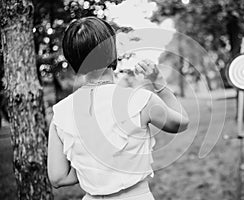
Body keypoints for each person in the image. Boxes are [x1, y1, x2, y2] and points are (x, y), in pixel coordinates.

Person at [47, 16, 189, 200]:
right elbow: (182, 123)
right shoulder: (140, 101)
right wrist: (159, 83)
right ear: (111, 51)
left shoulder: (60, 114)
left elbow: (58, 177)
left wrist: (94, 167)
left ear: (72, 59)